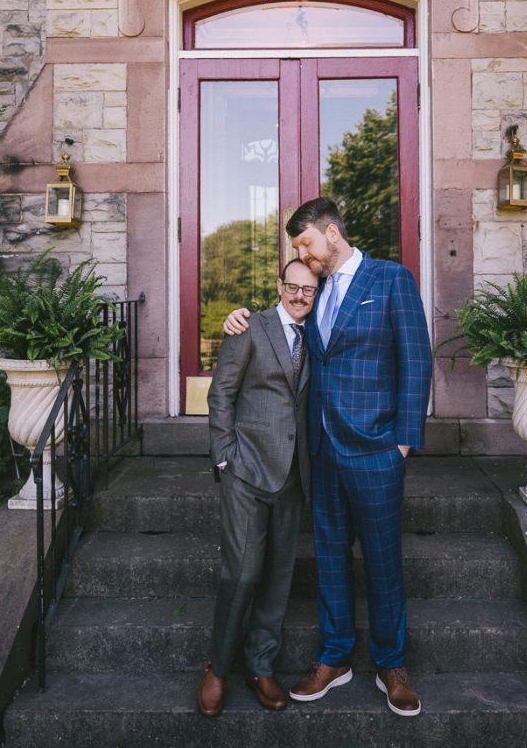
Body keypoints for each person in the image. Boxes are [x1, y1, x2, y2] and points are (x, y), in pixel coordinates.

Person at [223, 197, 433, 717]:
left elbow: (416, 359)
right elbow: (284, 321)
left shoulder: (390, 279)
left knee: (383, 562)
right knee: (332, 562)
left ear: (332, 233)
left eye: (306, 244)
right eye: (297, 248)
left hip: (377, 451)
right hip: (320, 453)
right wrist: (239, 318)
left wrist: (402, 442)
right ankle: (335, 657)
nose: (303, 255)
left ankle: (392, 664)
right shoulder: (311, 295)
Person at [196, 258, 319, 717]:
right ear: (279, 285)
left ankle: (261, 665)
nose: (300, 296)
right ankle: (218, 667)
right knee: (242, 574)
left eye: (309, 290)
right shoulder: (249, 325)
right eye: (293, 287)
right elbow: (221, 393)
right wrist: (224, 456)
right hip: (246, 471)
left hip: (294, 475)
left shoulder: (318, 334)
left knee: (278, 578)